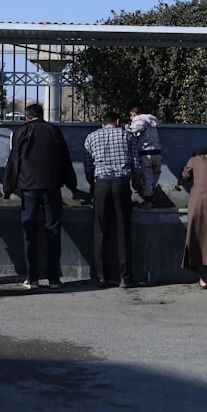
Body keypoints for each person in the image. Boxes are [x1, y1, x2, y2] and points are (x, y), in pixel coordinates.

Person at [3, 103, 77, 290]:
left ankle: (32, 278)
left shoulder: (22, 132)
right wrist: (71, 184)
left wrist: (8, 187)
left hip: (29, 189)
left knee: (29, 232)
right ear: (42, 115)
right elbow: (65, 158)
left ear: (27, 117)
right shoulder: (54, 130)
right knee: (53, 231)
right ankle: (54, 279)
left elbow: (14, 160)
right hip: (52, 187)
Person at [84, 110, 140, 288]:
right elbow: (136, 163)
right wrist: (137, 184)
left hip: (101, 184)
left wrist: (93, 186)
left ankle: (101, 276)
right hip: (121, 183)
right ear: (118, 121)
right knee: (123, 229)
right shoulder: (127, 136)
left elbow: (88, 166)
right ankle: (125, 277)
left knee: (100, 229)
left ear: (102, 124)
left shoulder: (91, 137)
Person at [174, 148, 207, 289]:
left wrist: (178, 183)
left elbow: (185, 176)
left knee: (198, 237)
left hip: (200, 201)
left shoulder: (194, 160)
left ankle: (203, 279)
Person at [126, 104, 162, 208]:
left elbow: (136, 129)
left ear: (133, 114)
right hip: (157, 153)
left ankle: (148, 202)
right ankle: (150, 197)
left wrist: (127, 128)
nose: (131, 118)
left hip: (145, 153)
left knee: (147, 178)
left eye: (131, 116)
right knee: (155, 175)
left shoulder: (139, 120)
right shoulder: (151, 120)